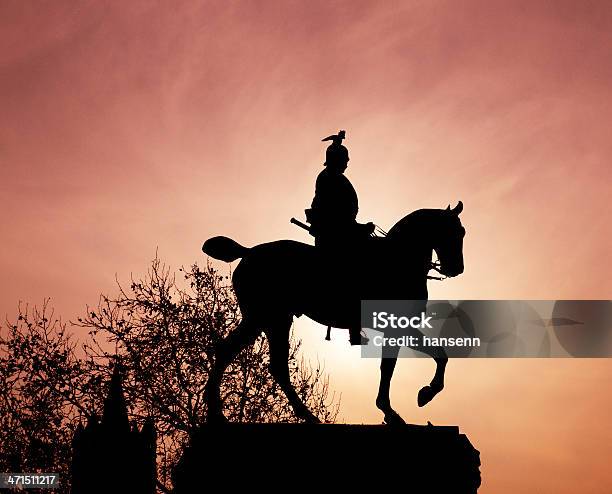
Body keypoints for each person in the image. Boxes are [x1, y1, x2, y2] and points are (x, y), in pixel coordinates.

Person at [306, 130, 374, 250]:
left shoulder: (335, 177)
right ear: (337, 159)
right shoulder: (329, 177)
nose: (347, 163)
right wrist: (360, 229)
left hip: (344, 228)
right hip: (335, 233)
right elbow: (336, 214)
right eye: (345, 160)